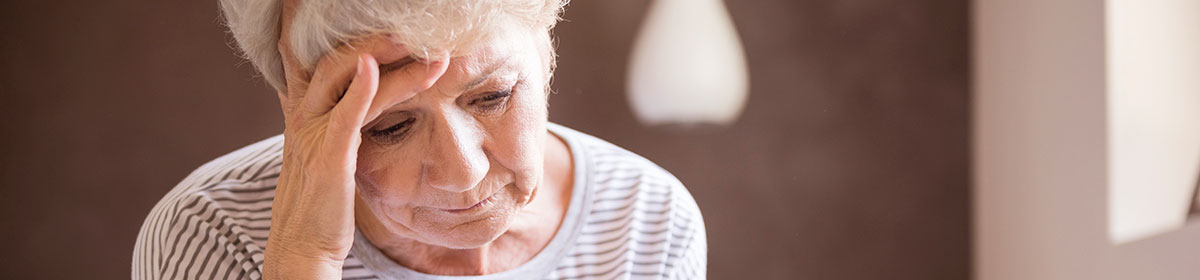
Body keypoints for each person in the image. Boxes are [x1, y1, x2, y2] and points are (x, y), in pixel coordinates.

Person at [131, 0, 706, 279]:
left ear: (546, 42)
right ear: (298, 109)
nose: (464, 172)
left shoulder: (646, 219)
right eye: (390, 126)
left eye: (492, 96)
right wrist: (302, 259)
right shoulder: (212, 234)